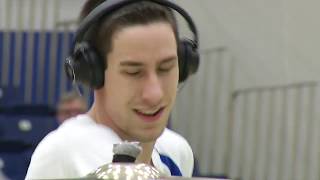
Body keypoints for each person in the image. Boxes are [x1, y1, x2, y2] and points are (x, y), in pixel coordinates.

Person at [25, 0, 200, 179]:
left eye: (166, 68)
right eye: (134, 72)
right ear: (92, 73)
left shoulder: (177, 151)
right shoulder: (63, 155)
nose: (154, 94)